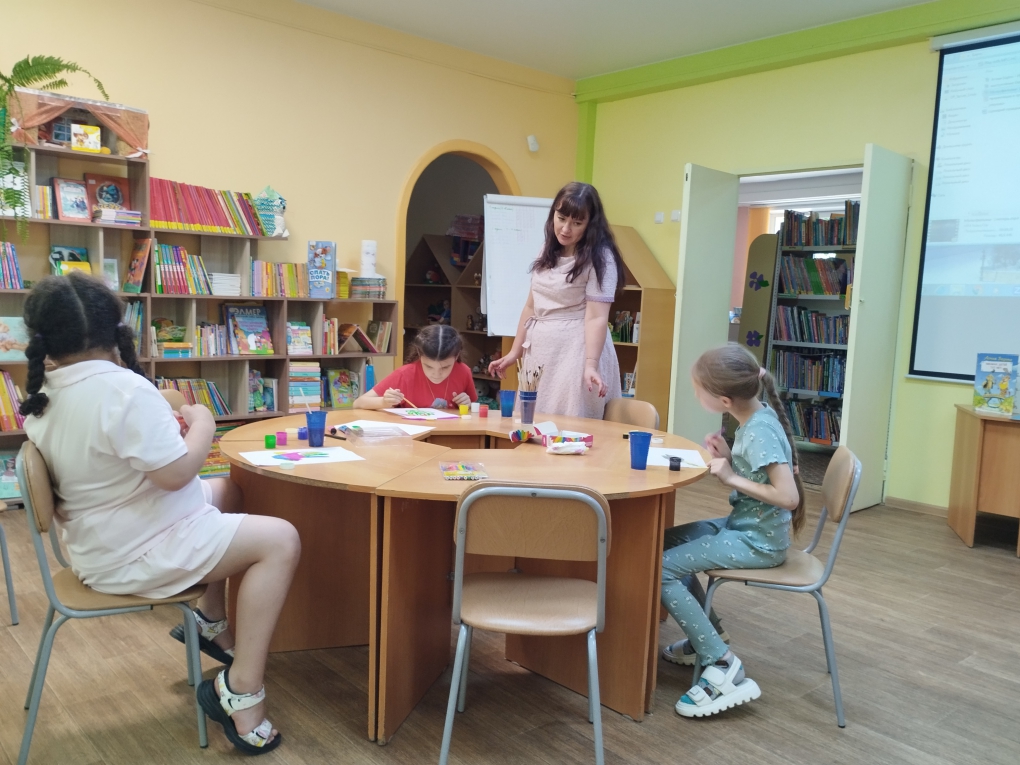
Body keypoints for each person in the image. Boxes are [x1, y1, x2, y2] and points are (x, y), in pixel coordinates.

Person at [20, 273, 300, 755]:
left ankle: (210, 618)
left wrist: (167, 436)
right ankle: (241, 691)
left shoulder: (46, 394)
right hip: (138, 549)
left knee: (228, 490)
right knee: (281, 539)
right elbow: (176, 474)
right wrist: (203, 422)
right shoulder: (122, 390)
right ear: (115, 332)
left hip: (103, 539)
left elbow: (115, 460)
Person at [660, 345, 804, 718]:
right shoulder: (755, 418)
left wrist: (730, 476)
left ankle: (722, 664)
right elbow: (762, 473)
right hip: (745, 527)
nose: (696, 396)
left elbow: (788, 497)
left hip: (758, 542)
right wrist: (729, 455)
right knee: (662, 544)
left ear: (724, 400)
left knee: (660, 568)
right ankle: (708, 635)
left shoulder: (759, 430)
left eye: (698, 391)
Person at [488, 182, 623, 418]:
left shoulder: (600, 257)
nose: (565, 228)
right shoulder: (547, 249)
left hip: (577, 352)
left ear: (591, 224)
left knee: (571, 426)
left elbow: (596, 318)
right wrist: (514, 352)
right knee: (532, 422)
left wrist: (591, 364)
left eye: (577, 223)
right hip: (541, 352)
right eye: (561, 218)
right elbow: (531, 306)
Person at [355, 324, 475, 409]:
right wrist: (384, 402)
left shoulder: (464, 372)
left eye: (445, 367)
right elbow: (358, 403)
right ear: (419, 354)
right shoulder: (405, 375)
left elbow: (475, 408)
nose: (436, 374)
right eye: (429, 367)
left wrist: (468, 405)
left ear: (456, 356)